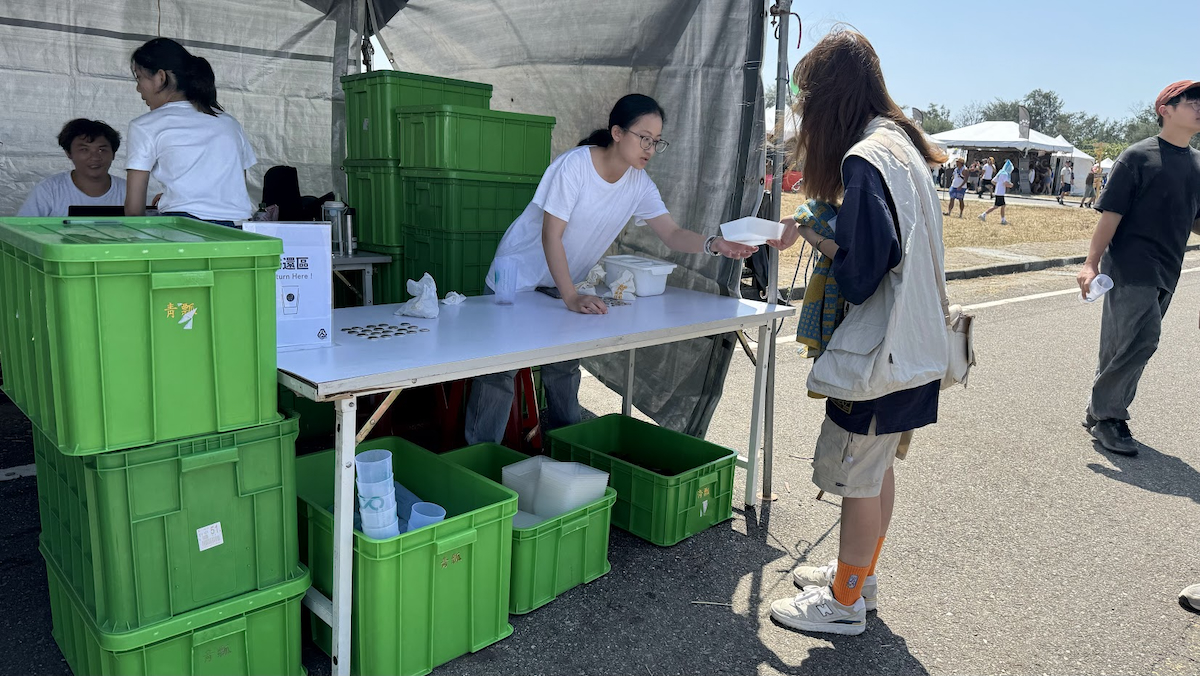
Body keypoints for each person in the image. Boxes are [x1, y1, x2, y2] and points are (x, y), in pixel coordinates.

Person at [764, 29, 948, 636]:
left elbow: (864, 274)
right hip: (916, 344)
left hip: (881, 350)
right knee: (875, 471)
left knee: (857, 478)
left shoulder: (863, 158)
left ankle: (845, 605)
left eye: (806, 104)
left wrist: (820, 236)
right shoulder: (899, 143)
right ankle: (858, 578)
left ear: (828, 98)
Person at [462, 94, 758, 445]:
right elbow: (550, 236)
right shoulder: (574, 166)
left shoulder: (639, 184)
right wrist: (571, 295)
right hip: (518, 276)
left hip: (561, 285)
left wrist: (715, 243)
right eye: (643, 137)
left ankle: (565, 455)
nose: (649, 148)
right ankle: (478, 460)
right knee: (500, 370)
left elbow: (672, 233)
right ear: (617, 132)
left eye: (656, 141)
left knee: (564, 366)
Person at [1077, 80, 1200, 456]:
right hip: (1129, 265)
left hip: (1169, 267)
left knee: (1121, 342)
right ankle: (1110, 416)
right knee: (1143, 339)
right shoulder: (1137, 157)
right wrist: (1090, 262)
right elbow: (1111, 214)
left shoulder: (1197, 164)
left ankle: (1097, 408)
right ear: (1166, 108)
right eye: (1191, 101)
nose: (1199, 107)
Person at [124, 37, 256, 227]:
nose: (138, 88)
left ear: (160, 77)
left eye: (139, 78)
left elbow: (134, 210)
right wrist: (176, 196)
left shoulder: (145, 125)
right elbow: (235, 186)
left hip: (183, 233)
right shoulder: (230, 123)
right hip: (237, 231)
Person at [16, 119, 127, 217]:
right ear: (69, 153)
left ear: (113, 154)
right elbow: (22, 231)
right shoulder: (49, 190)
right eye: (84, 149)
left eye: (101, 150)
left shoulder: (130, 191)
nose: (95, 157)